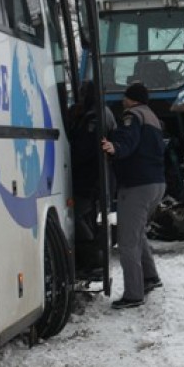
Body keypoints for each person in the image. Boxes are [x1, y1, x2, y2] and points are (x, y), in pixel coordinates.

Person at [101, 82, 166, 309]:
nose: (122, 100)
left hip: (137, 186)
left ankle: (133, 294)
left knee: (127, 241)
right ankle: (150, 277)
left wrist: (114, 148)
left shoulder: (132, 116)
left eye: (125, 96)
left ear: (131, 98)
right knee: (137, 232)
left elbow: (128, 140)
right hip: (157, 184)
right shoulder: (153, 117)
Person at [67, 81, 116, 274]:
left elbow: (84, 148)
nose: (79, 96)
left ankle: (93, 260)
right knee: (85, 216)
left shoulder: (96, 116)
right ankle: (92, 259)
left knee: (78, 215)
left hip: (91, 177)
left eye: (83, 92)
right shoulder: (97, 112)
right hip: (94, 176)